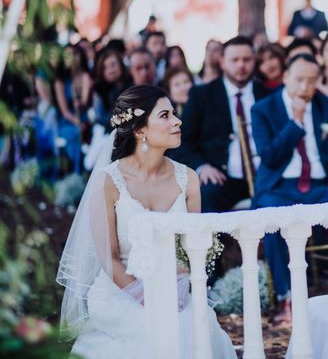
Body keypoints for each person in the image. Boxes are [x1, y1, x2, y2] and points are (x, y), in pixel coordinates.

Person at [57, 85, 237, 358]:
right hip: (120, 293)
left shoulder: (188, 178)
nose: (177, 121)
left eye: (174, 113)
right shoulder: (108, 182)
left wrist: (176, 287)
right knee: (158, 332)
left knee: (193, 325)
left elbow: (193, 247)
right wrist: (147, 297)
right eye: (165, 115)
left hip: (174, 289)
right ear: (140, 130)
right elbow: (109, 258)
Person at [251, 53, 328, 323]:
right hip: (278, 187)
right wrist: (295, 124)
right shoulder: (263, 109)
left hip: (319, 186)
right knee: (271, 219)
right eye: (299, 79)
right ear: (286, 76)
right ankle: (285, 296)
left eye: (312, 81)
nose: (305, 88)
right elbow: (269, 156)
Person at [180, 36, 273, 212]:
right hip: (221, 178)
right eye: (235, 60)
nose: (241, 65)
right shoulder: (202, 95)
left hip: (266, 177)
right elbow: (182, 142)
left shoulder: (268, 95)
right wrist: (202, 167)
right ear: (222, 62)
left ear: (254, 60)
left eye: (246, 59)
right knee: (205, 197)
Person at [53, 44, 92, 173]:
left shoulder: (86, 77)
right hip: (67, 120)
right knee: (74, 133)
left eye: (75, 54)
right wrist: (77, 122)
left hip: (84, 116)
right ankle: (76, 171)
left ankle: (82, 169)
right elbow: (64, 111)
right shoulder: (60, 82)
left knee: (84, 132)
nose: (72, 58)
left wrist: (80, 103)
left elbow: (85, 102)